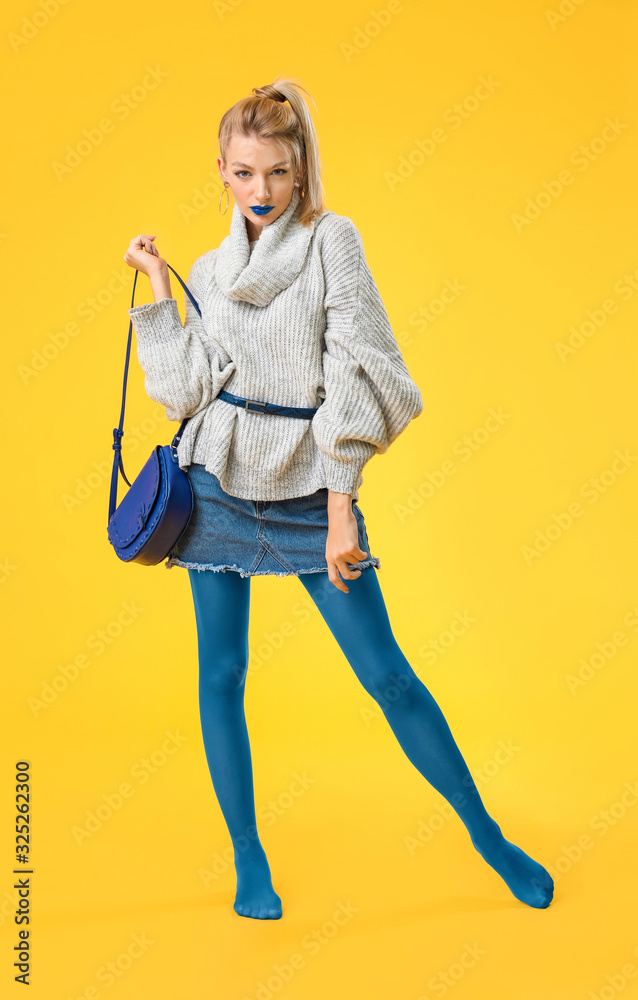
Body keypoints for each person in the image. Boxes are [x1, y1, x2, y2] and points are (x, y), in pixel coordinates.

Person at [123, 76, 554, 920]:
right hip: (215, 479)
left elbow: (366, 371)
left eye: (277, 174)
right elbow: (183, 392)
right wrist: (161, 294)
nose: (261, 192)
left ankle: (487, 835)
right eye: (244, 174)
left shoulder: (333, 242)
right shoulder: (210, 268)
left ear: (301, 168)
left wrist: (340, 503)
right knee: (222, 675)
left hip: (309, 486)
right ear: (220, 168)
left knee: (387, 676)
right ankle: (251, 858)